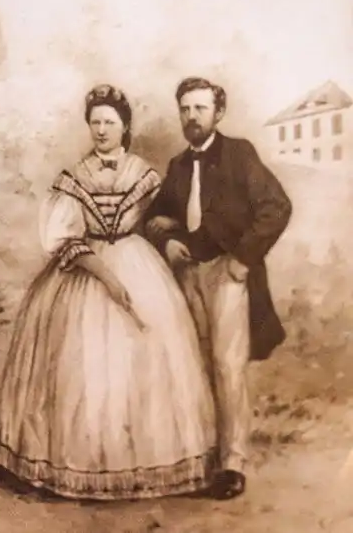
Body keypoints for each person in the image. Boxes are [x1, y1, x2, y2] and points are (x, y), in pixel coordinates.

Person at [0, 84, 216, 501]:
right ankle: (80, 468)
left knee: (148, 358)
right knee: (81, 364)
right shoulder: (74, 176)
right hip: (84, 272)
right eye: (95, 122)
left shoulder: (144, 174)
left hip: (140, 266)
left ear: (125, 126)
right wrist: (106, 276)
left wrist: (169, 238)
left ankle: (144, 466)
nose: (102, 130)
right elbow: (63, 240)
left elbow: (163, 221)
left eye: (110, 122)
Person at [145, 77, 292, 500]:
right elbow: (153, 218)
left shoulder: (239, 154)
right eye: (185, 109)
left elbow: (277, 207)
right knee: (195, 363)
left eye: (201, 108)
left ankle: (232, 463)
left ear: (218, 113)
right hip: (187, 275)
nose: (192, 117)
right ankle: (202, 455)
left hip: (226, 273)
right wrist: (167, 241)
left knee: (228, 367)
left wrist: (243, 259)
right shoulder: (177, 165)